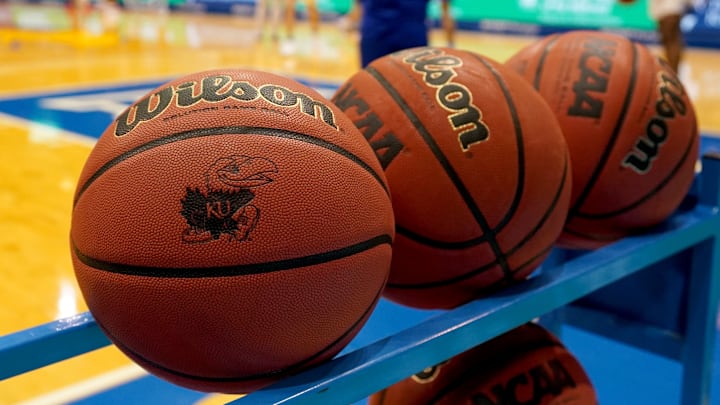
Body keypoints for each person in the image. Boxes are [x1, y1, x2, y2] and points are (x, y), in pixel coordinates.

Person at [360, 0, 452, 68]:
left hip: (376, 35)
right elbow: (446, 12)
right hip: (411, 36)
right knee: (414, 85)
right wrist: (450, 44)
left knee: (372, 82)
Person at [647, 0, 695, 73]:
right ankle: (673, 70)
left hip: (666, 11)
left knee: (672, 43)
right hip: (670, 11)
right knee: (671, 42)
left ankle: (673, 71)